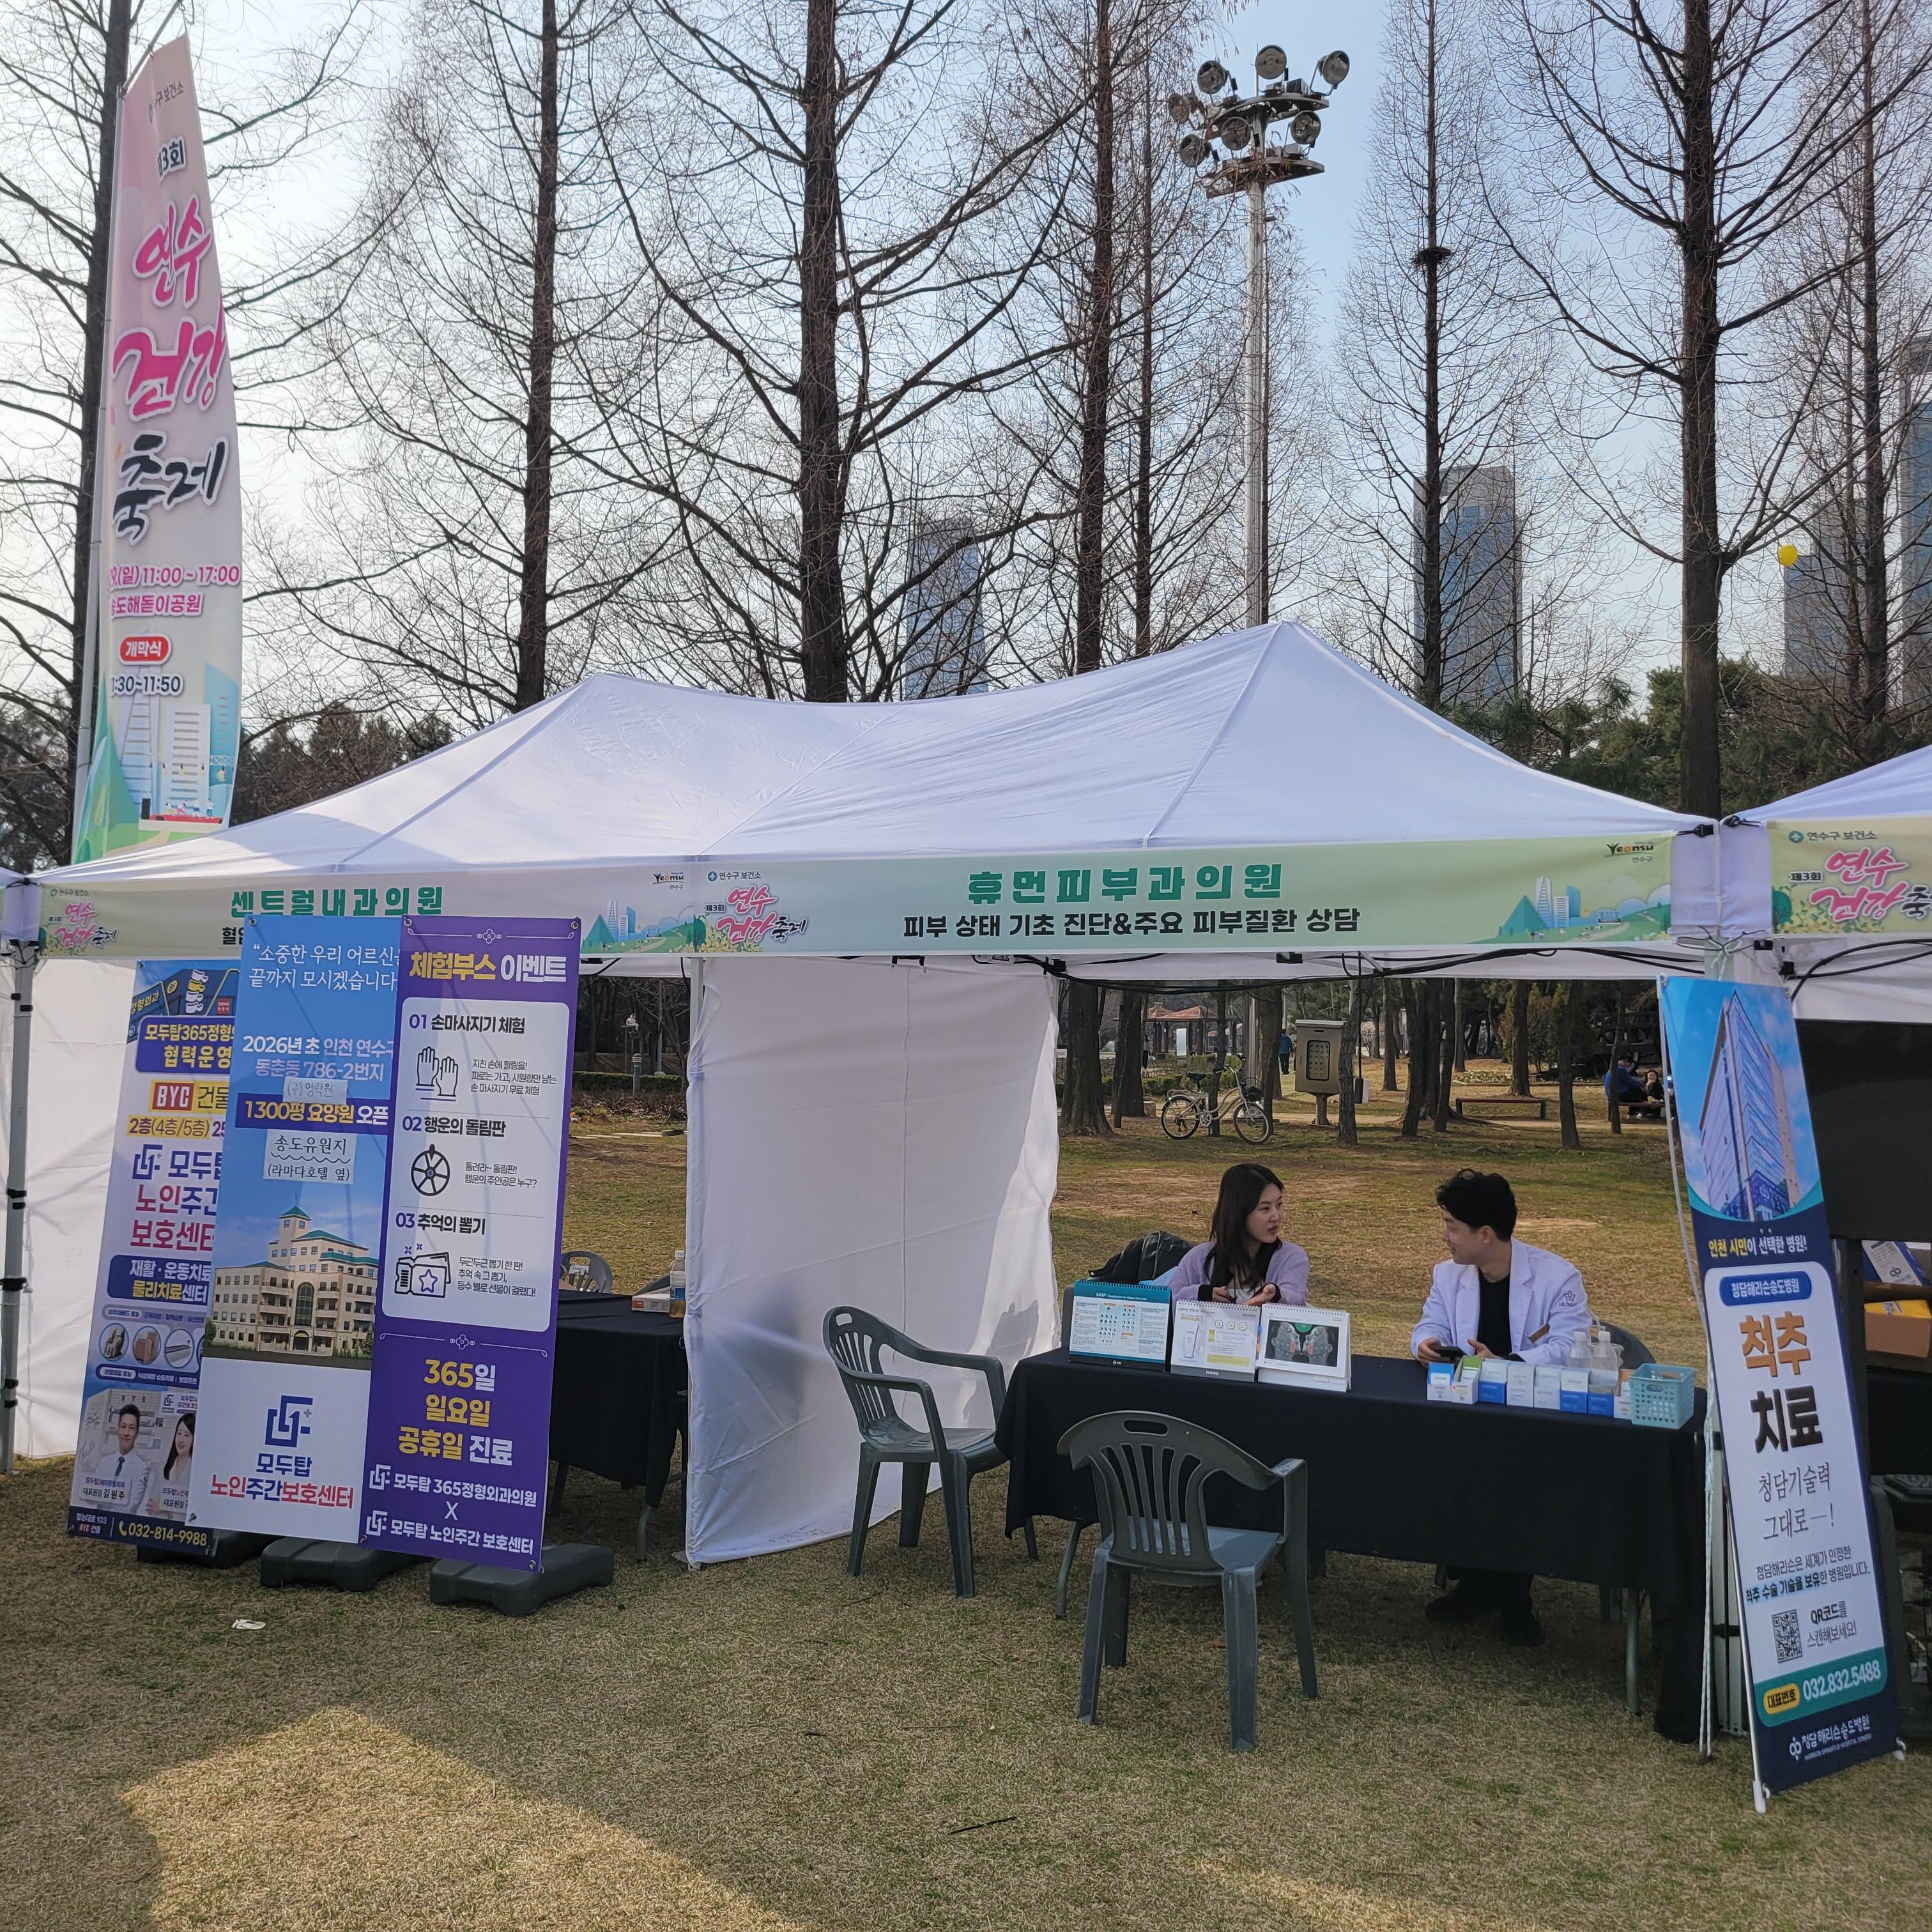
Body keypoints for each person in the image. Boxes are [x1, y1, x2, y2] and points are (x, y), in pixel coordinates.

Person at [1411, 1169, 1591, 1646]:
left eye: (1452, 1226)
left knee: (1516, 1470)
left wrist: (1508, 1364)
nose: (1445, 1237)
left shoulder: (1559, 1278)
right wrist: (1426, 1345)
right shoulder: (1447, 1275)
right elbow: (1429, 1325)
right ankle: (1474, 1582)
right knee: (1452, 1461)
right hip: (1468, 1413)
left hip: (1536, 1416)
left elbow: (1571, 1347)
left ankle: (1514, 1594)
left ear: (1485, 1235)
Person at [1167, 1162, 1310, 1307]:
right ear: (1238, 1213)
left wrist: (1276, 1296)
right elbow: (1167, 1302)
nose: (1276, 1216)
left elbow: (1295, 1298)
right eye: (1265, 1208)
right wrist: (1202, 1294)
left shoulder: (1291, 1258)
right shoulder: (1198, 1259)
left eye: (1279, 1205)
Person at [91, 1403, 151, 1515]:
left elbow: (130, 1507)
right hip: (99, 1519)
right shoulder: (104, 1462)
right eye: (123, 1427)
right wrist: (118, 1499)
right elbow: (93, 1496)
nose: (126, 1433)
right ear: (118, 1429)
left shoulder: (142, 1468)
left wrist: (105, 1498)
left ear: (137, 1433)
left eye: (131, 1428)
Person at [150, 1412, 195, 1519]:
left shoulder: (197, 1470)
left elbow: (194, 1510)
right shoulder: (163, 1467)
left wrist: (165, 1509)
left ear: (194, 1440)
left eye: (187, 1435)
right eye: (179, 1433)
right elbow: (152, 1506)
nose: (181, 1440)